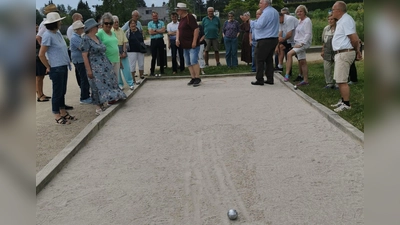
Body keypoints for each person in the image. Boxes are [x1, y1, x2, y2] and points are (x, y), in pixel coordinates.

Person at [81, 18, 127, 115]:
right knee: (96, 85)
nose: (98, 27)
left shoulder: (97, 38)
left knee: (108, 83)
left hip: (104, 64)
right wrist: (89, 70)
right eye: (96, 26)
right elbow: (84, 55)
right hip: (95, 66)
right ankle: (98, 106)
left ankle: (105, 102)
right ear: (92, 28)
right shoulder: (85, 39)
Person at [38, 12, 77, 125]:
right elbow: (41, 54)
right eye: (59, 21)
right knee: (57, 92)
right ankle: (56, 114)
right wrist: (48, 66)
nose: (61, 22)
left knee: (62, 90)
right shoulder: (47, 35)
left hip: (63, 65)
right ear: (55, 23)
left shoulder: (58, 33)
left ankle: (63, 111)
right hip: (56, 67)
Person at [330, 1, 362, 112]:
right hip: (341, 52)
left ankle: (347, 104)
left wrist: (356, 49)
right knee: (339, 79)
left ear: (339, 10)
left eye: (333, 10)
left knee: (341, 80)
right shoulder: (342, 21)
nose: (331, 12)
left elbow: (353, 38)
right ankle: (343, 100)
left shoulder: (346, 20)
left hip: (344, 52)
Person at [250, 0, 279, 85]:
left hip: (265, 39)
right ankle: (270, 78)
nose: (259, 5)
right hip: (273, 38)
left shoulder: (266, 13)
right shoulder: (275, 11)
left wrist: (250, 22)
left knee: (259, 59)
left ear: (266, 4)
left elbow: (259, 25)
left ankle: (259, 79)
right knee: (269, 59)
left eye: (260, 3)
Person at [283, 5, 312, 86]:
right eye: (298, 11)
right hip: (297, 43)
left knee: (289, 54)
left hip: (303, 43)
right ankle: (305, 80)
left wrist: (301, 44)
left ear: (304, 12)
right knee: (302, 61)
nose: (299, 13)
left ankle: (287, 74)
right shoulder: (299, 21)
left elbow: (308, 33)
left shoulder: (307, 21)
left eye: (301, 11)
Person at [175, 3, 201, 86]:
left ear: (182, 10)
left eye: (178, 9)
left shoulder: (190, 17)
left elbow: (196, 29)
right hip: (184, 44)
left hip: (192, 44)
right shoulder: (181, 19)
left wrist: (194, 41)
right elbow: (179, 30)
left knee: (193, 60)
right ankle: (193, 77)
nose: (177, 11)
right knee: (188, 62)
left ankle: (197, 77)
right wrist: (177, 39)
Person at [70, 20, 92, 104]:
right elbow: (83, 48)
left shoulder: (80, 36)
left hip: (82, 60)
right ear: (78, 29)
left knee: (86, 78)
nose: (83, 29)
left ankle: (87, 95)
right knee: (84, 79)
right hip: (79, 61)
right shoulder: (74, 38)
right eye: (82, 28)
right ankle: (84, 97)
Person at [112, 15, 136, 90]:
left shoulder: (121, 30)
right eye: (115, 22)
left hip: (122, 48)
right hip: (115, 50)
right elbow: (113, 44)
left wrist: (124, 51)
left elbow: (125, 41)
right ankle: (120, 84)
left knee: (126, 68)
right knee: (117, 69)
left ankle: (130, 83)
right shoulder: (111, 31)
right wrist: (118, 54)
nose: (116, 23)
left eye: (117, 22)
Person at [97, 13, 120, 80]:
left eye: (110, 23)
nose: (108, 25)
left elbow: (115, 46)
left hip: (116, 59)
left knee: (116, 80)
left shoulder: (113, 33)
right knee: (109, 80)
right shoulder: (100, 33)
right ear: (102, 24)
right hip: (107, 61)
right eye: (106, 23)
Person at [66, 13, 84, 87]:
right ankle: (81, 85)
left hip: (80, 53)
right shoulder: (71, 29)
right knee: (79, 71)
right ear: (76, 19)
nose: (82, 20)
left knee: (81, 72)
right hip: (76, 52)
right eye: (81, 18)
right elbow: (72, 41)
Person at [126, 19, 146, 84]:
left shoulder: (140, 31)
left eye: (134, 23)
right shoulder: (128, 32)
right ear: (129, 25)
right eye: (131, 23)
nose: (133, 25)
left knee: (141, 63)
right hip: (131, 50)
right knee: (132, 65)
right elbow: (126, 41)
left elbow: (142, 39)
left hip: (140, 50)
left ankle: (141, 75)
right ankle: (133, 79)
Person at [321, 14, 337, 89]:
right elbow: (323, 41)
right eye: (329, 19)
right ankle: (329, 83)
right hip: (327, 50)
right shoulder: (326, 29)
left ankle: (338, 83)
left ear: (335, 20)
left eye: (332, 19)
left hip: (336, 50)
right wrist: (322, 50)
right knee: (327, 67)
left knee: (337, 67)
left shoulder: (339, 28)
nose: (330, 21)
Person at [148, 11, 166, 76]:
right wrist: (159, 31)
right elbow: (150, 32)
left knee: (161, 56)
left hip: (160, 40)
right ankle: (152, 71)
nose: (155, 17)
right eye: (153, 16)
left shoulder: (161, 22)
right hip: (153, 41)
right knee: (154, 56)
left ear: (157, 16)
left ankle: (162, 70)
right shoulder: (150, 23)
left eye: (156, 16)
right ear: (152, 17)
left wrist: (155, 30)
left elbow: (163, 30)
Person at [36, 23, 51, 102]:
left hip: (39, 56)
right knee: (38, 77)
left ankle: (41, 93)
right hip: (36, 57)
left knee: (41, 76)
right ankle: (39, 95)